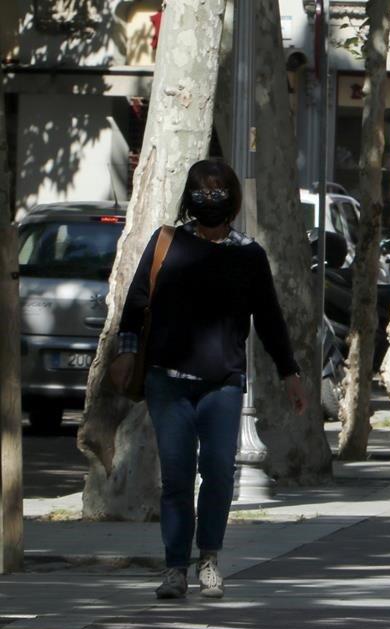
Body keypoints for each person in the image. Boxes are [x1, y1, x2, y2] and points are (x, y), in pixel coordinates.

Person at [110, 160, 307, 600]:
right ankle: (175, 567)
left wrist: (290, 373)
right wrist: (125, 353)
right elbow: (136, 302)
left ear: (233, 199)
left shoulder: (248, 255)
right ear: (189, 198)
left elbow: (270, 319)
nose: (210, 201)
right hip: (168, 379)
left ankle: (210, 559)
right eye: (201, 193)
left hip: (223, 383)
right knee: (177, 476)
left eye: (219, 193)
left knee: (218, 472)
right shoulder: (167, 243)